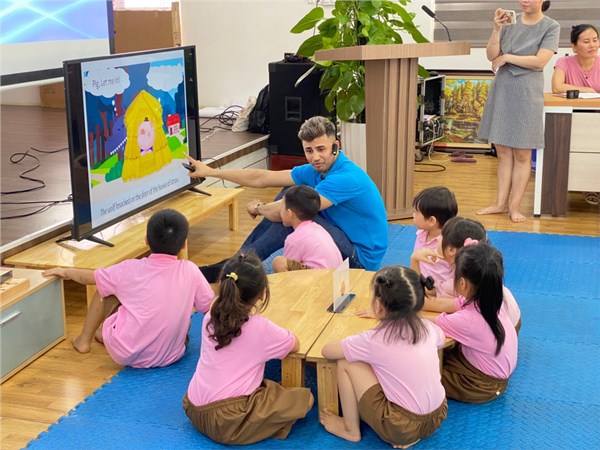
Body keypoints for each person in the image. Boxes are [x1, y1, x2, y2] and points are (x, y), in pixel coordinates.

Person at [185, 115, 388, 282]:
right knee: (290, 194)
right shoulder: (315, 170)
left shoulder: (345, 177)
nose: (315, 157)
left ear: (336, 146)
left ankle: (236, 266)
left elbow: (289, 209)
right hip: (341, 238)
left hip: (359, 260)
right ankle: (238, 261)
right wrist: (211, 172)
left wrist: (258, 207)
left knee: (293, 212)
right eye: (309, 150)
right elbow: (262, 177)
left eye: (321, 149)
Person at [42, 209, 215, 368]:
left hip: (125, 354)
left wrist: (65, 271)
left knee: (104, 288)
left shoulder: (129, 268)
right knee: (181, 320)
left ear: (146, 240)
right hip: (171, 356)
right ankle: (105, 334)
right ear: (184, 244)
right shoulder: (190, 270)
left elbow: (89, 277)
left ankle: (83, 341)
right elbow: (209, 307)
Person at [183, 252, 313, 445]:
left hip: (193, 406)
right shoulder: (260, 327)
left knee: (268, 386)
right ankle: (257, 428)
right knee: (305, 399)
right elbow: (294, 344)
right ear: (262, 294)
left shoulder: (211, 314)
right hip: (226, 421)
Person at [319, 266, 448, 448]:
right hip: (437, 416)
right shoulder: (428, 328)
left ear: (379, 307)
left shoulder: (375, 339)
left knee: (345, 360)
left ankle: (350, 429)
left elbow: (327, 351)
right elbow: (440, 340)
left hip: (401, 426)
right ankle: (414, 433)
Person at [477, 1, 560, 223]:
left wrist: (507, 57)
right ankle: (500, 204)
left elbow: (540, 61)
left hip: (527, 90)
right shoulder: (509, 23)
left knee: (522, 153)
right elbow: (491, 55)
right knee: (503, 151)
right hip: (503, 88)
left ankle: (514, 206)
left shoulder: (551, 26)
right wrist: (496, 29)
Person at [432, 243, 518, 403]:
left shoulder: (466, 320)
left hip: (483, 385)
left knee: (425, 374)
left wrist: (397, 310)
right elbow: (444, 304)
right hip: (495, 372)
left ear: (462, 283)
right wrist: (417, 302)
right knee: (445, 351)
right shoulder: (490, 299)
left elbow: (425, 323)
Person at [413, 216, 521, 332]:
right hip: (512, 323)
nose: (438, 240)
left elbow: (422, 301)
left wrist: (414, 261)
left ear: (451, 250)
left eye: (441, 236)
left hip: (501, 330)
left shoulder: (461, 282)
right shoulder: (476, 270)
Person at [552, 24, 600, 206]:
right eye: (586, 41)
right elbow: (557, 87)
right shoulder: (564, 62)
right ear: (574, 46)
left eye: (595, 40)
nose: (592, 45)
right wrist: (587, 89)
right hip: (570, 116)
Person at [272, 185, 343, 272]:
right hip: (336, 276)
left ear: (290, 213)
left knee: (279, 262)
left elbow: (289, 272)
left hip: (319, 279)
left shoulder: (294, 239)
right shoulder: (319, 228)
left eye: (282, 207)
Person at [410, 186, 458, 290]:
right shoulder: (421, 233)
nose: (413, 215)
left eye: (416, 212)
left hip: (440, 293)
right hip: (420, 285)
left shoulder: (449, 244)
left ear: (431, 221)